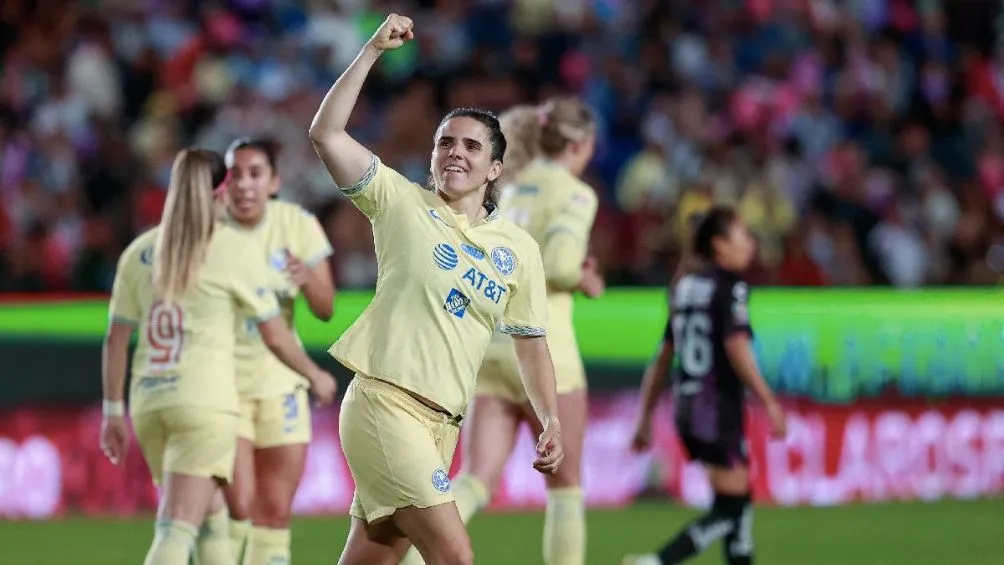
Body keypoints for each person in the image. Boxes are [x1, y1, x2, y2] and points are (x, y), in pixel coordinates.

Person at [308, 13, 564, 565]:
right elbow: (326, 135)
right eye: (445, 142)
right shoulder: (401, 203)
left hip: (442, 427)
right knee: (455, 557)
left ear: (495, 168)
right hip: (385, 405)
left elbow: (531, 342)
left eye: (471, 146)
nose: (455, 152)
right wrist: (372, 51)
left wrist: (550, 418)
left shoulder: (517, 249)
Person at [99, 148, 335, 565]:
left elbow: (116, 340)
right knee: (177, 528)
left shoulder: (139, 252)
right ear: (221, 190)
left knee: (213, 518)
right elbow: (275, 335)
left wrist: (113, 411)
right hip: (204, 402)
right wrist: (315, 375)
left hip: (149, 401)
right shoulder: (228, 247)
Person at [400, 98, 604, 565]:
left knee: (476, 479)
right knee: (566, 486)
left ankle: (413, 561)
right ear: (580, 145)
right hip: (545, 351)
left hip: (493, 348)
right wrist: (584, 278)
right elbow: (559, 264)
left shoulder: (509, 190)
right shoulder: (576, 194)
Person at [622, 206, 787, 565]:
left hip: (689, 406)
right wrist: (769, 401)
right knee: (732, 509)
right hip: (717, 408)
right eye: (743, 236)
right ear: (720, 245)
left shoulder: (684, 289)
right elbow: (736, 345)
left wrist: (645, 417)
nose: (751, 244)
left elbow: (662, 358)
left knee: (738, 507)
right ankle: (657, 562)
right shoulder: (731, 287)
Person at [221, 137, 339, 565]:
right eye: (235, 174)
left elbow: (325, 309)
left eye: (255, 174)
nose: (244, 184)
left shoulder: (296, 225)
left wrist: (307, 278)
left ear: (274, 182)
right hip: (222, 386)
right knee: (236, 507)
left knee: (274, 512)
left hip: (281, 386)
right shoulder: (210, 228)